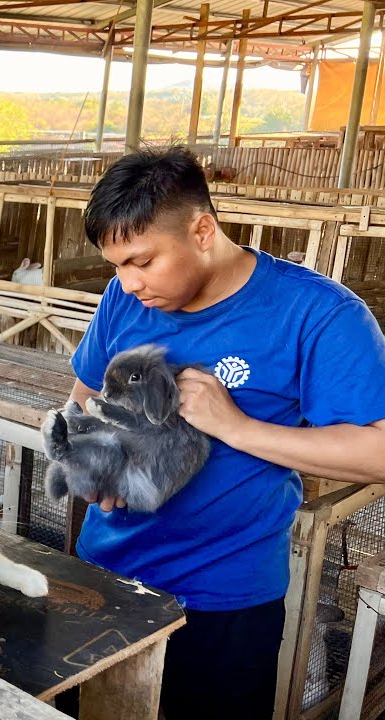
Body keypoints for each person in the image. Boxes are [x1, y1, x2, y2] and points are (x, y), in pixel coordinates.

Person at [67, 146, 385, 719]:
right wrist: (88, 463)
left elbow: (378, 451)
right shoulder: (122, 298)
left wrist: (235, 426)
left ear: (203, 228)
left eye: (142, 261)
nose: (127, 282)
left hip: (223, 597)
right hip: (103, 572)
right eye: (116, 265)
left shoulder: (318, 315)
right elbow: (83, 395)